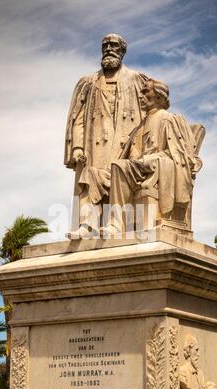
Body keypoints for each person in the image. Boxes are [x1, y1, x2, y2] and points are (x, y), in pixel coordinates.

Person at [64, 33, 149, 238]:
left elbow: (148, 113)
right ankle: (87, 225)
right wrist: (77, 147)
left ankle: (116, 224)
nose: (109, 48)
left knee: (119, 181)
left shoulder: (137, 80)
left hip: (126, 142)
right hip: (95, 144)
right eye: (105, 45)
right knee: (89, 177)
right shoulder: (88, 82)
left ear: (123, 51)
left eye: (114, 45)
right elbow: (79, 118)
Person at [101, 78, 203, 236]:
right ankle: (87, 225)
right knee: (93, 175)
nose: (140, 96)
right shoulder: (139, 126)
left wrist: (149, 159)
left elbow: (180, 155)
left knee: (119, 167)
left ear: (159, 97)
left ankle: (116, 224)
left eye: (145, 91)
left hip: (154, 168)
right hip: (136, 169)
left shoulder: (169, 119)